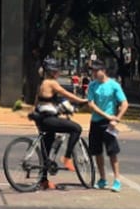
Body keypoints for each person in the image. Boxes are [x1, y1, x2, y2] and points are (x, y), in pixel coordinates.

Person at [33, 58, 88, 188]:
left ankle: (43, 181)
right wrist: (81, 101)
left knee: (46, 149)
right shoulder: (51, 83)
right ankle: (67, 158)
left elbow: (38, 103)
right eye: (57, 70)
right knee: (76, 129)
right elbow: (66, 93)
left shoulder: (41, 84)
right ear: (52, 72)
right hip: (49, 119)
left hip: (41, 119)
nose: (59, 72)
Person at [86, 64, 129, 192]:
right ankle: (102, 178)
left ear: (103, 71)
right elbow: (91, 104)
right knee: (97, 152)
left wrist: (117, 118)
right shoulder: (92, 86)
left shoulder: (114, 85)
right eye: (92, 71)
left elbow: (125, 103)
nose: (94, 73)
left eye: (96, 70)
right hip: (96, 122)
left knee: (112, 152)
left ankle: (117, 179)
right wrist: (106, 115)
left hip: (109, 124)